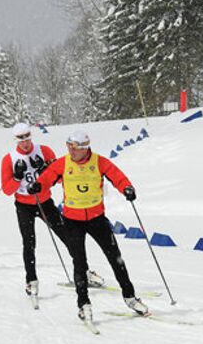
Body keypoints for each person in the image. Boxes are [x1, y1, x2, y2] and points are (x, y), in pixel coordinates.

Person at [28, 130, 149, 321]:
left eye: (74, 148)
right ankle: (83, 304)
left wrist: (127, 187)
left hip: (96, 219)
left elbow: (117, 175)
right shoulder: (63, 163)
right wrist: (37, 186)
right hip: (72, 220)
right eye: (68, 147)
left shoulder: (99, 162)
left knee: (115, 258)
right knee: (79, 263)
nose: (71, 151)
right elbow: (46, 178)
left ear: (85, 148)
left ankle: (130, 297)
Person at [0, 123, 104, 298]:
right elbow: (7, 190)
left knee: (67, 236)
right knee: (29, 243)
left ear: (31, 136)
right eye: (21, 139)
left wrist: (45, 170)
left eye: (27, 137)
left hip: (45, 202)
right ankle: (31, 280)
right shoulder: (9, 158)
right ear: (15, 140)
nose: (25, 143)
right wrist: (17, 177)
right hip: (24, 205)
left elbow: (59, 178)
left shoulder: (44, 151)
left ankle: (84, 272)